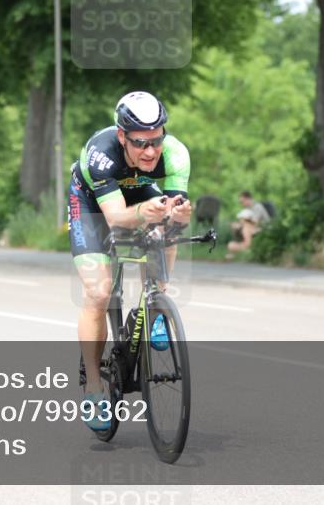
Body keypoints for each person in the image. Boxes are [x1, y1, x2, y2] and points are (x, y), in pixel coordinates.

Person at [69, 91, 192, 431]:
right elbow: (116, 218)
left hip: (140, 192)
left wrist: (178, 215)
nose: (151, 151)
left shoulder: (176, 155)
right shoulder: (100, 153)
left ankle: (156, 305)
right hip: (94, 203)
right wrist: (142, 212)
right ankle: (94, 388)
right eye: (140, 143)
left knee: (166, 224)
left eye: (156, 140)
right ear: (122, 135)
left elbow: (176, 214)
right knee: (98, 292)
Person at [226, 191, 270, 257]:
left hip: (263, 228)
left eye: (242, 202)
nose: (242, 204)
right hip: (253, 229)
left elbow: (255, 223)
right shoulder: (247, 209)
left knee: (246, 227)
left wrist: (241, 224)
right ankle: (242, 248)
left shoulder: (257, 207)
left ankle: (246, 247)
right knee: (238, 229)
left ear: (248, 199)